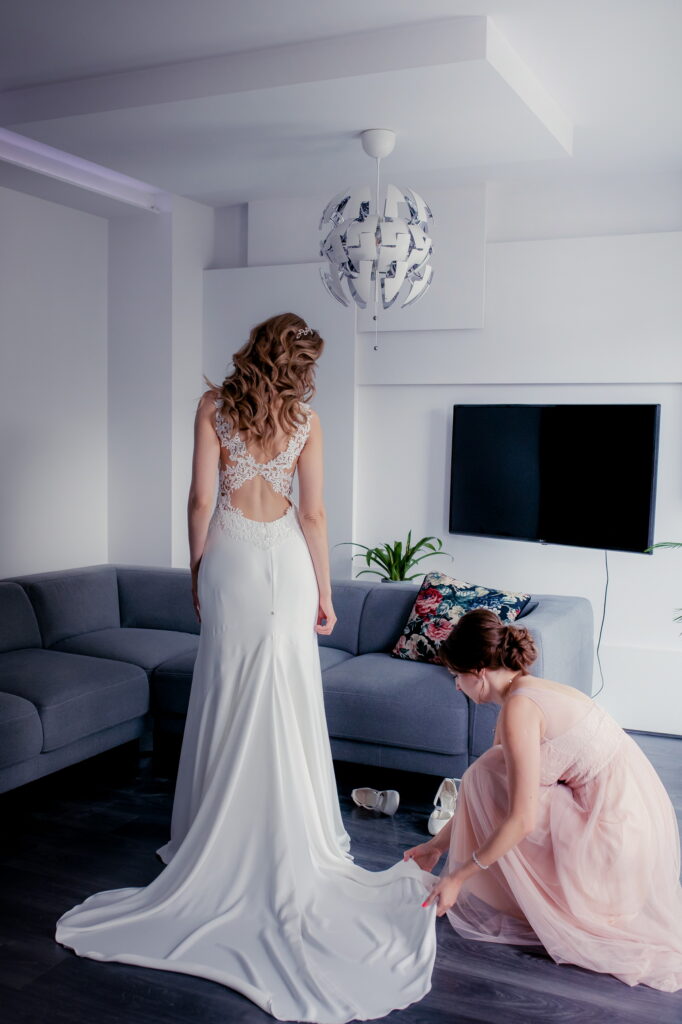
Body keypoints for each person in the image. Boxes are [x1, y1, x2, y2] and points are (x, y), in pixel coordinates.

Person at [55, 313, 437, 1024]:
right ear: (299, 365)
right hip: (286, 561)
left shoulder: (213, 406)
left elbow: (201, 500)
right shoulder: (307, 421)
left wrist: (197, 571)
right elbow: (314, 516)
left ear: (255, 350)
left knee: (227, 690)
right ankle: (289, 830)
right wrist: (325, 593)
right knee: (287, 691)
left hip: (230, 556)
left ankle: (213, 829)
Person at [404, 607, 682, 993]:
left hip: (612, 851)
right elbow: (480, 796)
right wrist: (436, 847)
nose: (456, 686)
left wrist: (458, 875)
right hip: (627, 837)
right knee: (488, 772)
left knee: (484, 774)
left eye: (456, 676)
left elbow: (521, 818)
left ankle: (564, 903)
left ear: (478, 673)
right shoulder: (526, 692)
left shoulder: (520, 710)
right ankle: (546, 896)